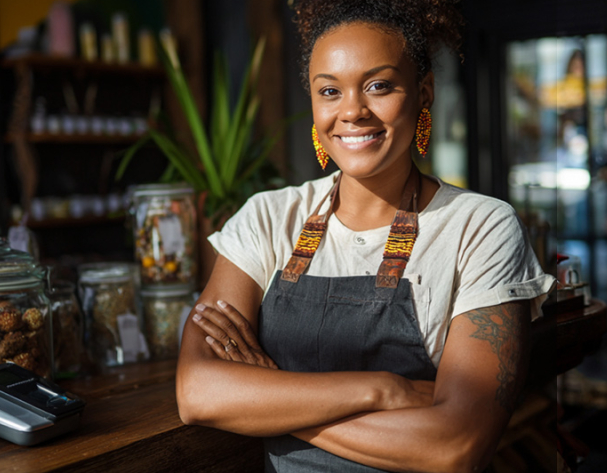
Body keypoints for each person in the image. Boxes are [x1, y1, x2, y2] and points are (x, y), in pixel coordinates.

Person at [176, 1, 555, 471]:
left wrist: (266, 400)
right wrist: (383, 389)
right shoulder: (268, 219)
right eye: (329, 91)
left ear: (424, 91)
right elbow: (197, 393)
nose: (352, 111)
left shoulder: (482, 228)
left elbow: (455, 446)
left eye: (378, 86)